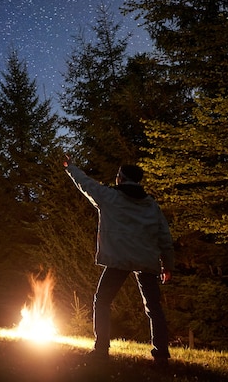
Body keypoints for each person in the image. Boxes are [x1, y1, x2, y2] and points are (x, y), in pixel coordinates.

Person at [63, 156, 174, 366]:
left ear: (120, 179)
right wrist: (167, 266)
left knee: (102, 301)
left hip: (118, 259)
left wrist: (71, 167)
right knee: (154, 308)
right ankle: (161, 355)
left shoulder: (110, 197)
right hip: (146, 260)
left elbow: (85, 184)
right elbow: (165, 239)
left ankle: (101, 350)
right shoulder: (151, 206)